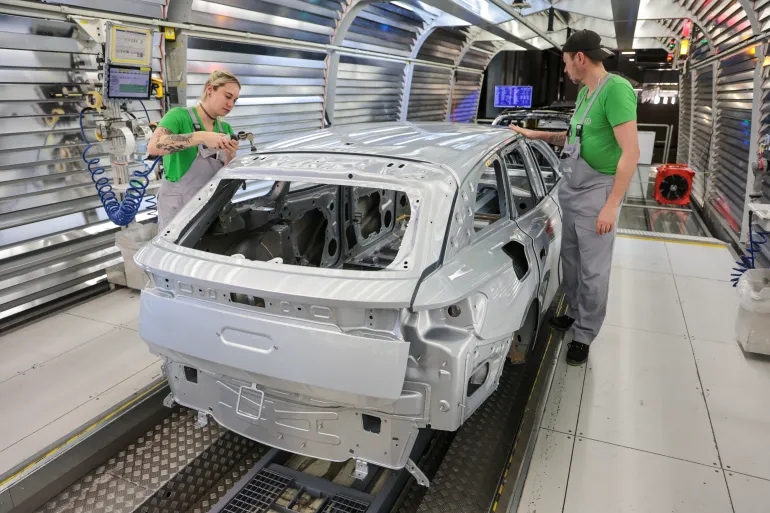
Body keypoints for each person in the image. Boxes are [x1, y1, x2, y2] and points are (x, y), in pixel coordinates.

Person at [510, 30, 640, 366]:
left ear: (579, 57)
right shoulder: (585, 93)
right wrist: (533, 133)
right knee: (571, 261)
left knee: (594, 272)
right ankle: (573, 311)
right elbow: (571, 136)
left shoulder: (615, 90)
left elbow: (631, 152)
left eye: (566, 62)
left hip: (598, 191)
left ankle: (584, 333)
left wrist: (611, 205)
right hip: (572, 186)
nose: (566, 69)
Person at [148, 70, 241, 230]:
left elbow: (226, 174)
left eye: (235, 100)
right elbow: (154, 146)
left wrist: (231, 155)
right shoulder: (179, 116)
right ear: (210, 89)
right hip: (177, 208)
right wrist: (201, 137)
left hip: (208, 208)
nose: (231, 104)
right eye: (227, 96)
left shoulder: (224, 128)